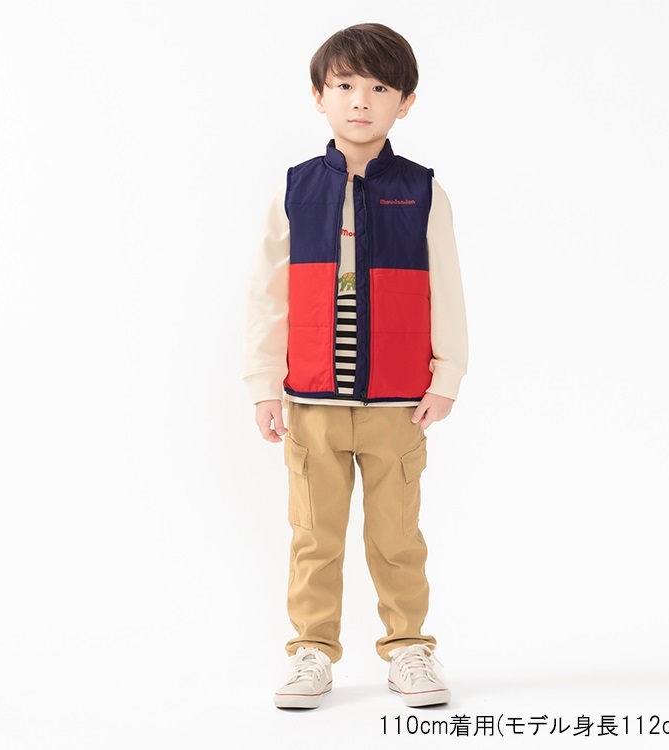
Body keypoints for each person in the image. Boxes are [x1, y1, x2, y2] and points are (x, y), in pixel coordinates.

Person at [242, 22, 468, 709]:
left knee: (397, 537)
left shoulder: (423, 190)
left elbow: (446, 288)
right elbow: (268, 293)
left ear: (406, 102)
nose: (360, 100)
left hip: (397, 406)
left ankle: (409, 648)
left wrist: (447, 376)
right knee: (315, 536)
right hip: (311, 402)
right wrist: (264, 385)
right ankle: (311, 651)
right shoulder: (296, 189)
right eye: (344, 85)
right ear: (319, 95)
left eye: (378, 87)